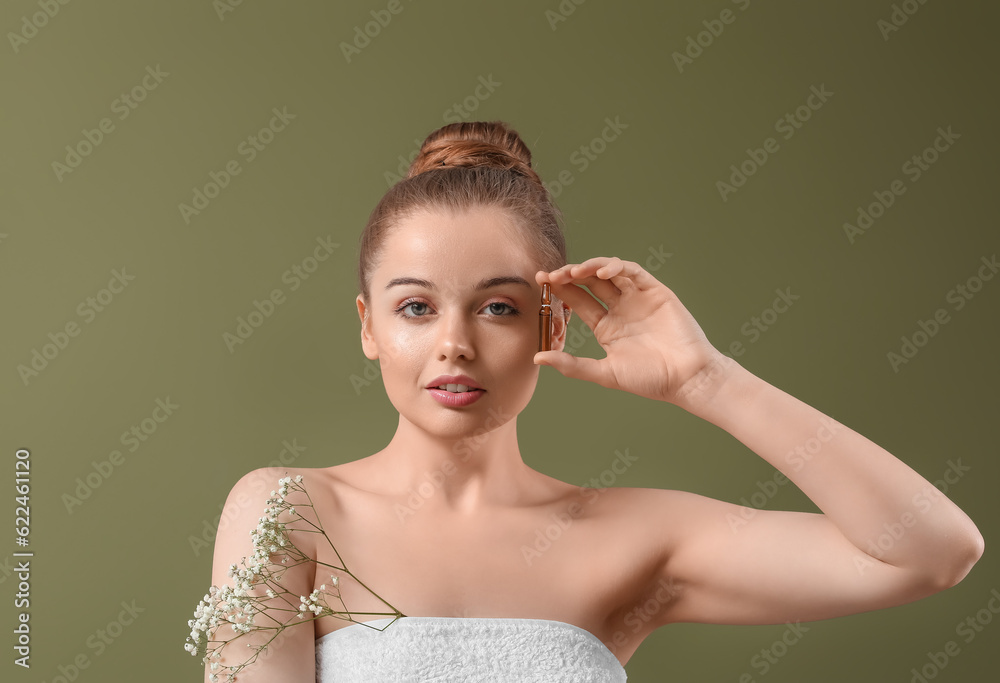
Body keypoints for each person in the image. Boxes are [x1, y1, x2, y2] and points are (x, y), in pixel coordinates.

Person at [203, 121, 984, 682]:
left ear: (556, 324)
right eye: (415, 308)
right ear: (369, 326)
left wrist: (706, 379)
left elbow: (933, 549)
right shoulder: (288, 511)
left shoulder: (636, 537)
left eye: (498, 307)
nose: (455, 343)